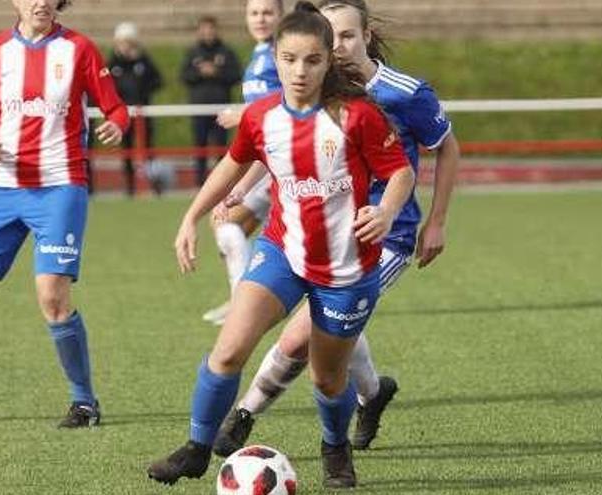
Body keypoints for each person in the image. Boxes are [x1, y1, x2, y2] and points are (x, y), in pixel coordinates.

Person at [147, 2, 415, 488]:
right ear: (275, 55)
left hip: (346, 270)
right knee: (228, 351)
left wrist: (387, 211)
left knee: (327, 380)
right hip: (283, 253)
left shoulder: (356, 116)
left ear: (328, 60)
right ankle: (196, 448)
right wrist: (191, 216)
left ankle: (335, 448)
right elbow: (231, 164)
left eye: (312, 60)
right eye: (289, 59)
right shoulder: (262, 116)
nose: (299, 70)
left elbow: (401, 172)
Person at [213, 0, 461, 457]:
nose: (340, 45)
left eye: (348, 35)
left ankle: (242, 415)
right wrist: (242, 188)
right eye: (332, 37)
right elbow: (278, 144)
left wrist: (437, 221)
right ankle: (373, 392)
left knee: (298, 336)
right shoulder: (317, 93)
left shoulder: (403, 93)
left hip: (384, 241)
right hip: (312, 239)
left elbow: (447, 147)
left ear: (366, 36)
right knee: (335, 328)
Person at [0, 0, 129, 429]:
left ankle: (85, 403)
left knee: (52, 297)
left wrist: (117, 125)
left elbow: (116, 108)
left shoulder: (79, 49)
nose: (41, 2)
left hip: (60, 187)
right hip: (2, 188)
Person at [202, 0, 284, 326]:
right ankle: (243, 298)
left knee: (225, 222)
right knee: (235, 226)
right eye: (254, 13)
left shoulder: (281, 52)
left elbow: (293, 99)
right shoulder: (260, 53)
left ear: (281, 15)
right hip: (265, 157)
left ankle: (244, 303)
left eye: (268, 12)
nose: (260, 19)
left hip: (278, 158)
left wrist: (244, 114)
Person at [180, 16, 241, 187]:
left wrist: (216, 72)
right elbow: (184, 76)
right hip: (199, 109)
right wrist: (200, 73)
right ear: (199, 31)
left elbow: (236, 75)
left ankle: (222, 184)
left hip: (221, 108)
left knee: (222, 148)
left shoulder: (226, 52)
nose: (207, 32)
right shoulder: (193, 53)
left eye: (210, 28)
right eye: (204, 29)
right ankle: (200, 184)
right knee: (200, 147)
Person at [107, 22, 162, 196]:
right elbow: (106, 87)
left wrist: (143, 93)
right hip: (123, 115)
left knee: (148, 149)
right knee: (127, 149)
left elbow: (158, 81)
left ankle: (154, 184)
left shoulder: (143, 61)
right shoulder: (112, 64)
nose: (126, 46)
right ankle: (130, 187)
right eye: (122, 42)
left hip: (143, 112)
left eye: (129, 42)